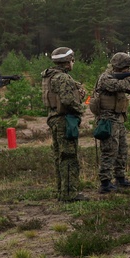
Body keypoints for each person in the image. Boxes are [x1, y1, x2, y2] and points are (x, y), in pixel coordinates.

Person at [93, 52, 130, 194]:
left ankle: (120, 178)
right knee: (109, 150)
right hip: (107, 119)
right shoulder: (105, 78)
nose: (128, 70)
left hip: (119, 118)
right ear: (119, 67)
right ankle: (105, 182)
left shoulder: (124, 78)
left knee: (122, 150)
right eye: (126, 67)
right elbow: (117, 86)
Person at [42, 47, 87, 202]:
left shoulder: (49, 76)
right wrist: (81, 108)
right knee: (68, 157)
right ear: (68, 62)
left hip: (54, 119)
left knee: (59, 156)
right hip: (65, 120)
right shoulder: (63, 78)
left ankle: (61, 190)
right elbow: (68, 100)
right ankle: (70, 194)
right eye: (72, 60)